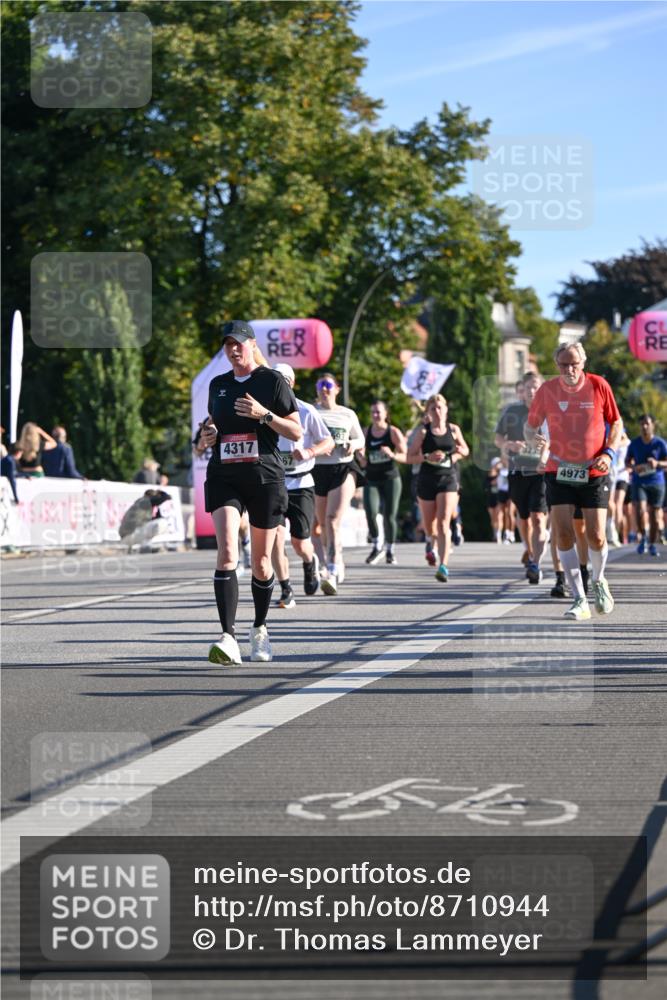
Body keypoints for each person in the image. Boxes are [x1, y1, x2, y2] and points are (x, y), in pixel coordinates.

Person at [198, 320, 300, 663]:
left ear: (253, 345)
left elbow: (296, 431)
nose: (233, 349)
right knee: (227, 552)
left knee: (260, 561)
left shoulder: (271, 381)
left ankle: (259, 628)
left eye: (239, 343)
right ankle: (227, 636)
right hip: (225, 474)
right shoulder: (218, 385)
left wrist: (264, 414)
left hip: (264, 477)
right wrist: (208, 436)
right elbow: (212, 426)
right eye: (228, 345)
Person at [525, 341, 622, 621]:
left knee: (596, 535)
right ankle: (579, 598)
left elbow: (615, 422)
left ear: (583, 363)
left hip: (593, 469)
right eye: (564, 364)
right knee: (564, 533)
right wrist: (534, 438)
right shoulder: (547, 390)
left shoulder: (599, 385)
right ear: (557, 366)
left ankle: (599, 580)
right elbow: (530, 426)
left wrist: (609, 452)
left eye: (574, 364)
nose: (570, 369)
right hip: (558, 469)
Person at [269, 363, 334, 608]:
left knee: (299, 543)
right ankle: (286, 589)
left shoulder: (306, 411)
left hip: (301, 483)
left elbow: (327, 442)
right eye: (274, 380)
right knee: (275, 537)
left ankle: (310, 563)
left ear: (291, 383)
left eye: (283, 380)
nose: (278, 385)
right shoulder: (264, 412)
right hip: (273, 483)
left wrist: (308, 452)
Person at [407, 393, 469, 582]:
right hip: (427, 480)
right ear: (428, 412)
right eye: (433, 408)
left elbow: (465, 450)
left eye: (440, 407)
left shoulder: (454, 429)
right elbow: (410, 457)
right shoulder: (423, 432)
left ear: (446, 409)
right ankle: (431, 542)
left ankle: (443, 565)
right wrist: (427, 457)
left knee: (443, 522)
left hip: (447, 478)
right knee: (429, 526)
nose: (437, 411)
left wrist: (456, 455)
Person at [312, 373, 365, 595]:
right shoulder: (311, 413)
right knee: (321, 524)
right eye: (320, 385)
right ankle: (332, 561)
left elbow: (361, 438)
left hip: (343, 467)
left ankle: (332, 568)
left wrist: (352, 444)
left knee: (332, 519)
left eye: (328, 385)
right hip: (317, 469)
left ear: (337, 389)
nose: (324, 389)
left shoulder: (347, 414)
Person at [495, 372, 548, 583]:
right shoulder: (512, 411)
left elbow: (556, 439)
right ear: (523, 390)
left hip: (541, 472)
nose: (532, 391)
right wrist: (508, 445)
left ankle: (535, 562)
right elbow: (498, 438)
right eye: (528, 388)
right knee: (524, 517)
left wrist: (544, 451)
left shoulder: (549, 412)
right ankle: (529, 548)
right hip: (518, 470)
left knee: (538, 518)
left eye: (536, 387)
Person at [359, 400, 407, 565]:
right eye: (373, 412)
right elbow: (361, 453)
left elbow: (405, 455)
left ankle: (390, 549)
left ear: (386, 414)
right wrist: (361, 458)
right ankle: (377, 544)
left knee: (390, 515)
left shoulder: (393, 432)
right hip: (371, 477)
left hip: (390, 477)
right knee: (370, 512)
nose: (375, 415)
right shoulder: (366, 432)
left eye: (378, 412)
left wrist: (392, 455)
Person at [626, 414, 667, 557]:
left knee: (655, 516)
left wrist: (657, 464)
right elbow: (628, 461)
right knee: (640, 510)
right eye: (642, 424)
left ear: (652, 425)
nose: (644, 427)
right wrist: (631, 465)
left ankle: (652, 543)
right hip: (639, 481)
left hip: (656, 482)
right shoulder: (635, 443)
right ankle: (643, 537)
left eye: (647, 424)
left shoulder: (660, 444)